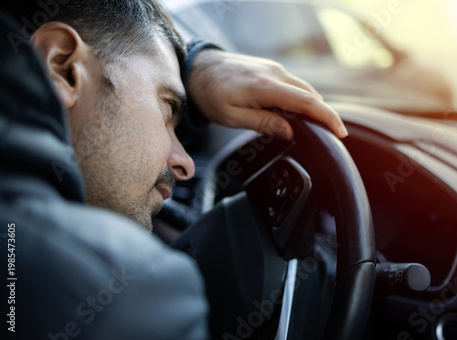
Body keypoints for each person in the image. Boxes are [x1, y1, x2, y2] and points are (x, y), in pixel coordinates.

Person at [0, 0, 347, 338]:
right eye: (168, 108)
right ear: (61, 66)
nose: (186, 164)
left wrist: (193, 65)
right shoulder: (128, 295)